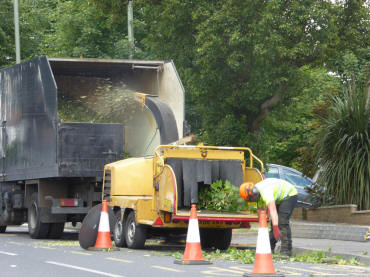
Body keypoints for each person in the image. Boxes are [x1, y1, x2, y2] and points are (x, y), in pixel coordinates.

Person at [243, 178, 298, 256]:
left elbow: (272, 210)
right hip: (279, 198)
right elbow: (260, 211)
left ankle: (286, 250)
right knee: (273, 224)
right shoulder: (256, 193)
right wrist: (262, 227)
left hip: (289, 195)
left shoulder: (266, 192)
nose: (253, 201)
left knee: (282, 222)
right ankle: (269, 249)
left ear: (254, 194)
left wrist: (276, 227)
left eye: (252, 199)